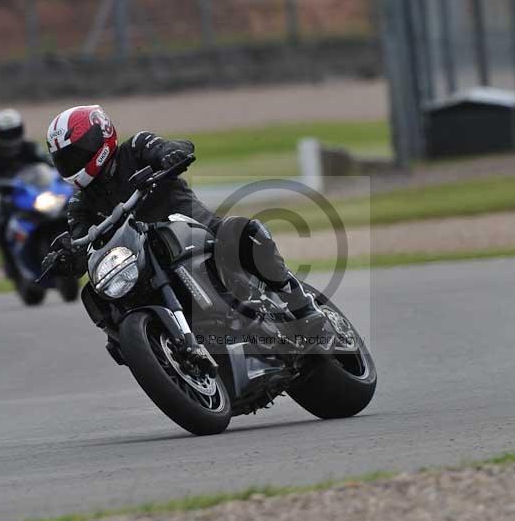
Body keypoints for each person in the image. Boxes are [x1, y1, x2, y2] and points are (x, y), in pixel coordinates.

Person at [41, 105, 327, 352]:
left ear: (100, 138)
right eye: (64, 159)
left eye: (76, 154)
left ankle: (300, 303)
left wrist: (172, 154)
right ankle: (154, 349)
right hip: (143, 262)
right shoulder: (80, 203)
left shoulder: (136, 147)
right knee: (101, 295)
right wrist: (67, 257)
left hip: (194, 230)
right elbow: (83, 243)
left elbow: (172, 146)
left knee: (240, 230)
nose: (72, 163)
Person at [0, 109, 52, 278]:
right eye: (6, 133)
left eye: (13, 132)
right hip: (10, 198)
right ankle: (10, 264)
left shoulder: (32, 148)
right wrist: (0, 187)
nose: (10, 136)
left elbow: (49, 165)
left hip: (34, 193)